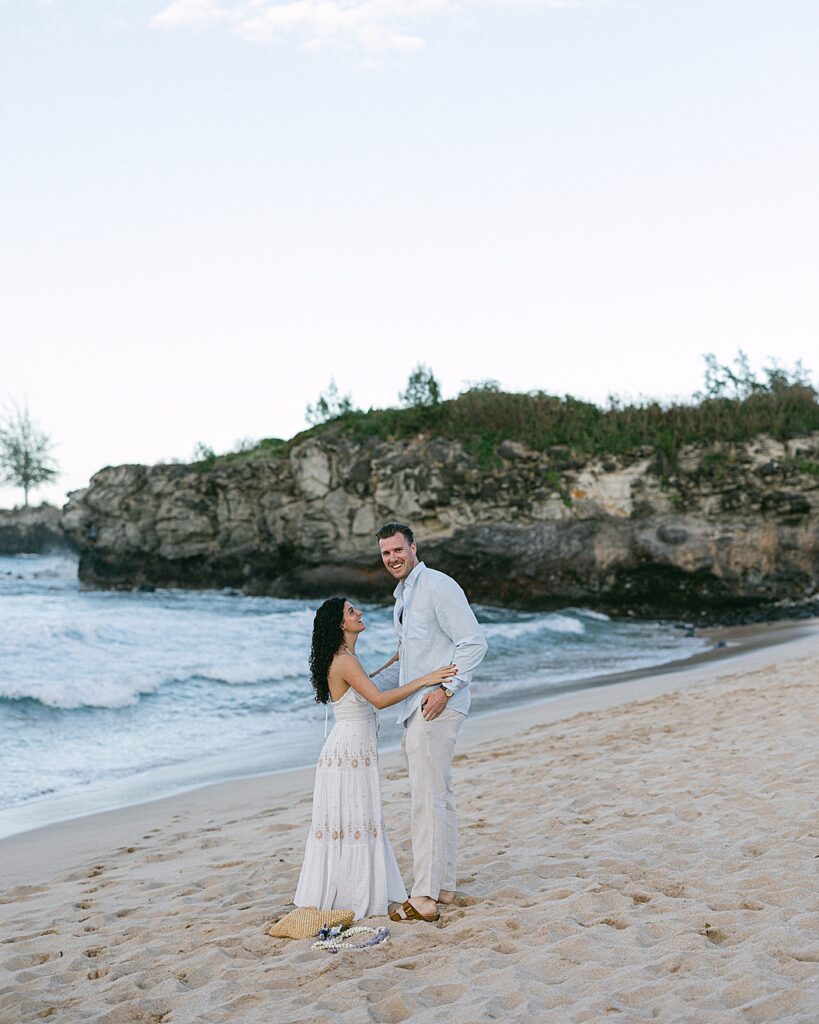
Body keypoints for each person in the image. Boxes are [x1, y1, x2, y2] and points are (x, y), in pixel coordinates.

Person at [293, 596, 458, 920]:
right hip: (349, 753)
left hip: (352, 750)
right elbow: (379, 699)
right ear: (341, 624)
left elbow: (366, 684)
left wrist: (397, 660)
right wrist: (425, 679)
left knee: (357, 821)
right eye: (352, 611)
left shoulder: (346, 657)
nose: (360, 613)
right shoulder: (344, 659)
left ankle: (355, 890)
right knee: (355, 822)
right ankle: (354, 895)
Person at [374, 522, 488, 924]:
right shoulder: (402, 597)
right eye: (386, 553)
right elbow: (408, 665)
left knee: (426, 800)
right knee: (440, 796)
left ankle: (423, 896)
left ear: (414, 547)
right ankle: (444, 886)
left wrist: (447, 690)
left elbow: (474, 643)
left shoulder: (439, 586)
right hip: (418, 706)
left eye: (398, 550)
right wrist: (358, 686)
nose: (392, 559)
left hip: (438, 705)